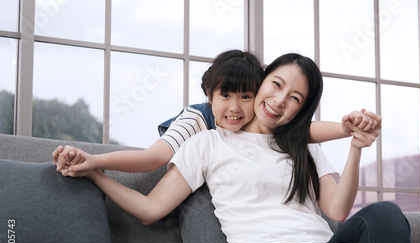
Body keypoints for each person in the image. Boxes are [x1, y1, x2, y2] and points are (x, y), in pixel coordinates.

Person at [67, 53, 420, 243]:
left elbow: (336, 211)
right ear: (262, 83)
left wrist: (355, 147)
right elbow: (150, 208)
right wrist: (96, 172)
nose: (279, 100)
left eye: (294, 97)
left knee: (386, 216)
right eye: (275, 85)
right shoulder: (207, 143)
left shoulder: (301, 145)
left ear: (302, 109)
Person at [52, 49, 378, 175]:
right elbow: (153, 158)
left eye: (246, 96)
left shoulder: (258, 118)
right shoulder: (198, 118)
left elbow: (305, 131)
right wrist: (94, 161)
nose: (235, 108)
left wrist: (348, 127)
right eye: (224, 95)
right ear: (209, 94)